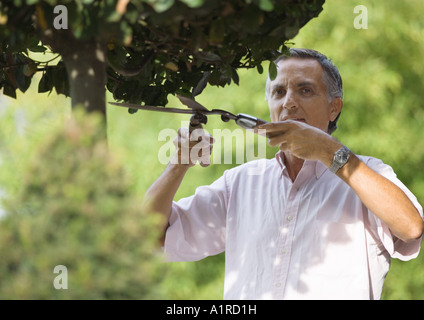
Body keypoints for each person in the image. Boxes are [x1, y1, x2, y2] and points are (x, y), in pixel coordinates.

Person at [144, 48, 424, 300]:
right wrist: (178, 165)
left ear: (333, 108)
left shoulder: (368, 173)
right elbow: (147, 237)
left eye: (305, 90)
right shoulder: (241, 183)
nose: (288, 103)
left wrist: (328, 151)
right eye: (278, 92)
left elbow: (411, 227)